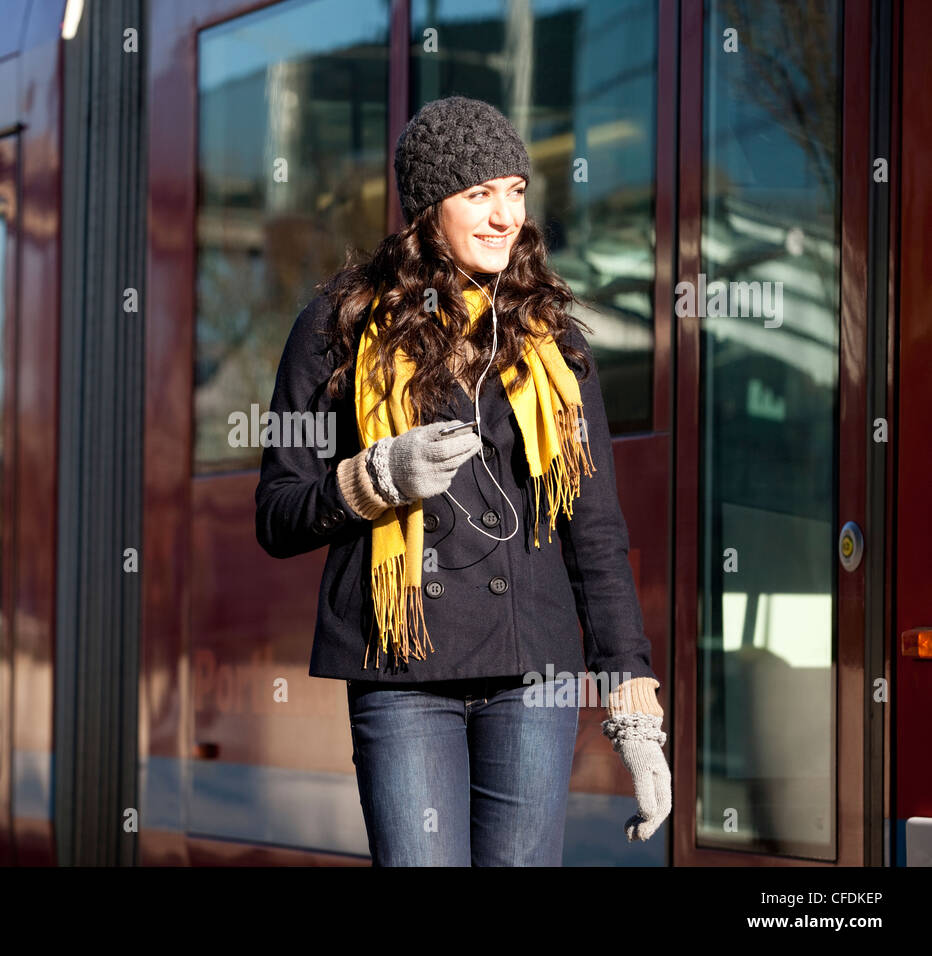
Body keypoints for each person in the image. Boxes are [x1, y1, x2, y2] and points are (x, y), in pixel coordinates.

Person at [254, 95, 671, 866]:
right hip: (401, 667)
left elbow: (596, 530)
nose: (504, 215)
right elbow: (278, 513)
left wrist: (634, 708)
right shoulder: (336, 328)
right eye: (478, 194)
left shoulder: (557, 344)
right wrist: (376, 478)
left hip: (531, 673)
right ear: (425, 209)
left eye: (515, 191)